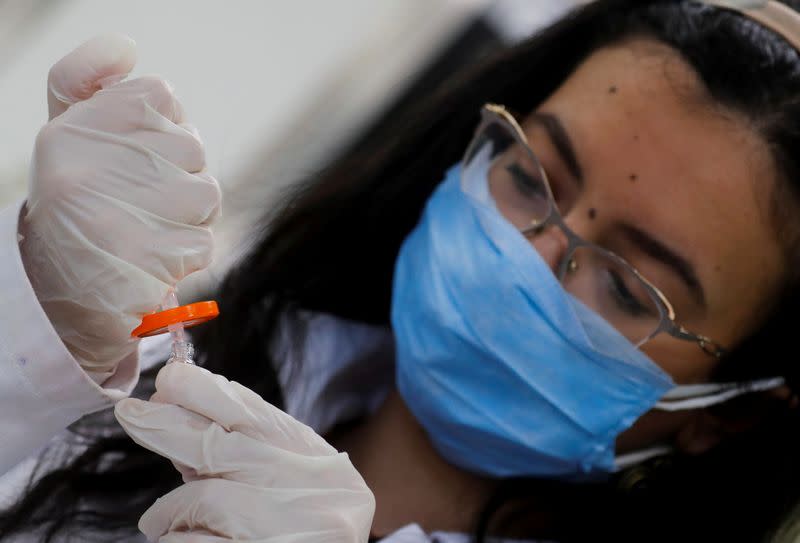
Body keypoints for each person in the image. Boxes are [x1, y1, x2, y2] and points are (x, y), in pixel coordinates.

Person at [3, 0, 800, 541]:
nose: (525, 257)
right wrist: (36, 323)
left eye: (627, 285)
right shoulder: (167, 356)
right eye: (528, 176)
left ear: (728, 415)